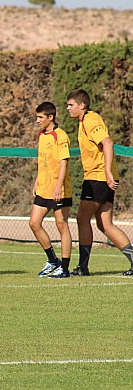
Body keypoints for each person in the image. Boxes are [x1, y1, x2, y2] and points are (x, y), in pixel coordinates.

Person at [66, 89, 133, 276]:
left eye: (71, 105)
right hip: (100, 177)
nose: (68, 108)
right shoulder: (83, 121)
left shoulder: (90, 120)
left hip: (98, 178)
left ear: (82, 105)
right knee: (105, 224)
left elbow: (108, 143)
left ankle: (83, 267)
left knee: (82, 218)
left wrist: (106, 172)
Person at [28, 102, 73, 278]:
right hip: (43, 188)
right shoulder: (42, 135)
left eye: (40, 117)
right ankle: (53, 261)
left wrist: (58, 186)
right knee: (34, 223)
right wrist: (37, 181)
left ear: (50, 117)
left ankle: (65, 267)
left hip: (58, 190)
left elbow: (64, 162)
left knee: (62, 225)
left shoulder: (60, 136)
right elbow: (43, 162)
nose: (37, 120)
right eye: (37, 117)